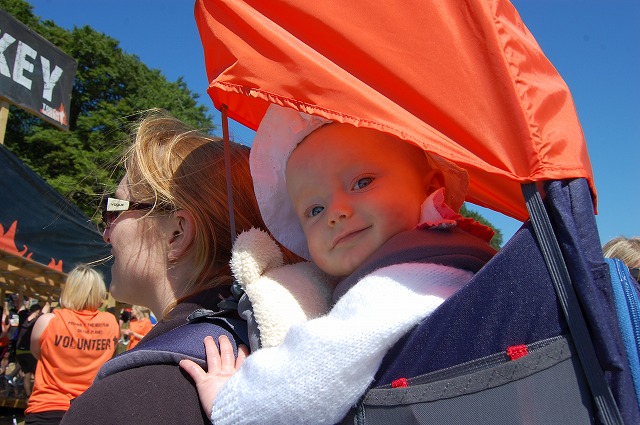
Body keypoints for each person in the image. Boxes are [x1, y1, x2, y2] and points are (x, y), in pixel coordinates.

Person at [180, 104, 496, 424]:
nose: (336, 212)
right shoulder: (450, 264)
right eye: (315, 210)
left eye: (362, 182)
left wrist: (231, 400)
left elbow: (311, 379)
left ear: (430, 188)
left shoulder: (403, 283)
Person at [60, 109, 295, 425]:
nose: (106, 232)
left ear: (177, 234)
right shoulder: (285, 359)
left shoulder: (118, 405)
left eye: (116, 209)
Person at [24, 265, 119, 425]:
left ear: (69, 289)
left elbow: (37, 353)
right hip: (88, 409)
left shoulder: (48, 321)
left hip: (47, 408)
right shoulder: (111, 323)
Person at [15, 301, 48, 399]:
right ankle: (36, 396)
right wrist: (48, 301)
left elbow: (20, 304)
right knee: (37, 374)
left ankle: (28, 396)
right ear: (38, 311)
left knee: (27, 374)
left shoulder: (23, 317)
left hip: (19, 351)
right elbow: (46, 309)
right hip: (30, 352)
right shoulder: (37, 320)